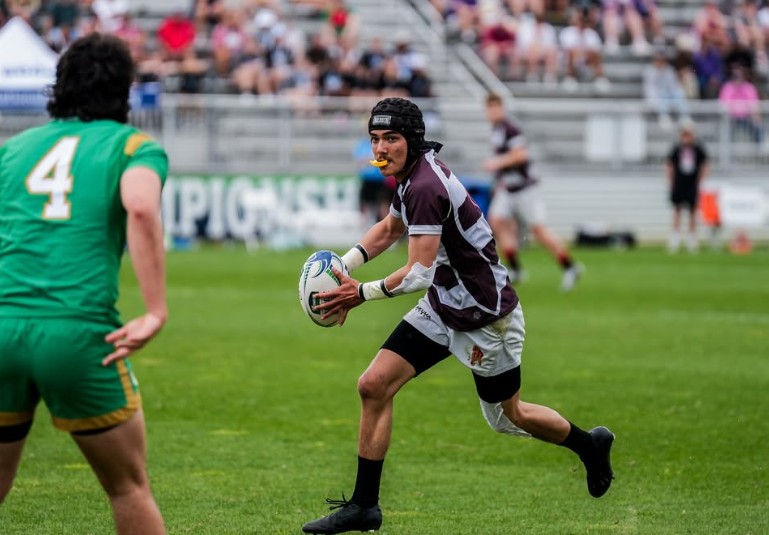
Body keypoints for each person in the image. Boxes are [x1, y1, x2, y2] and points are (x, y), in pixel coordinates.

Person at [301, 97, 615, 535]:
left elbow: (417, 272)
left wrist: (360, 293)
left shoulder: (426, 186)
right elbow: (391, 230)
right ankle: (364, 506)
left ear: (411, 140)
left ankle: (589, 444)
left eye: (391, 138)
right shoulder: (411, 177)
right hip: (445, 304)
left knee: (509, 417)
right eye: (375, 138)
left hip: (486, 317)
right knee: (373, 386)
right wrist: (343, 265)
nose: (381, 147)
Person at [0, 34, 168, 535]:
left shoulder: (14, 149)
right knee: (127, 486)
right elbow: (140, 206)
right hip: (75, 333)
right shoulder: (133, 146)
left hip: (3, 327)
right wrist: (155, 309)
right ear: (125, 91)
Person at [483, 92, 583, 291]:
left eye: (495, 108)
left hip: (526, 189)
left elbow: (521, 155)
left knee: (538, 231)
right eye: (489, 109)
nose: (492, 112)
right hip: (508, 188)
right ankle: (515, 268)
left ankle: (570, 266)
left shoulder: (511, 129)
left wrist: (497, 163)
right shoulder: (496, 130)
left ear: (501, 108)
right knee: (496, 220)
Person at [665, 120, 709, 253]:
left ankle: (692, 237)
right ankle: (675, 237)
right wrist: (670, 181)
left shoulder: (698, 149)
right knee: (677, 210)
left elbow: (704, 165)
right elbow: (669, 165)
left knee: (692, 212)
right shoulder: (676, 148)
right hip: (679, 183)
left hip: (692, 184)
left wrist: (701, 181)